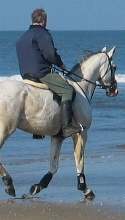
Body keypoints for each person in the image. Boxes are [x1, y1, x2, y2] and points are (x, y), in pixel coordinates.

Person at [15, 8, 82, 138]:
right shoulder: (42, 34)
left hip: (25, 74)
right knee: (67, 91)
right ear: (43, 21)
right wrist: (60, 64)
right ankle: (67, 127)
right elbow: (50, 54)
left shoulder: (23, 37)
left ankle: (38, 130)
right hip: (41, 73)